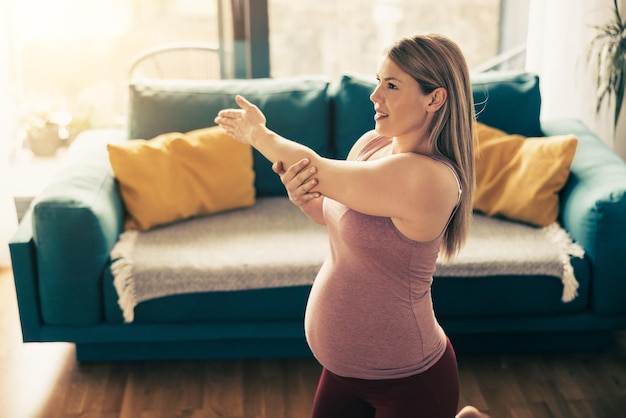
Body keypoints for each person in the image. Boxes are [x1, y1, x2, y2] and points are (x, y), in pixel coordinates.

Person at [216, 32, 478, 418]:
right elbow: (336, 217)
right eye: (378, 82)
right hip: (343, 371)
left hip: (408, 382)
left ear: (434, 98)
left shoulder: (430, 179)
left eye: (392, 85)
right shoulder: (372, 144)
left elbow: (314, 168)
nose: (375, 96)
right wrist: (306, 198)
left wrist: (259, 134)